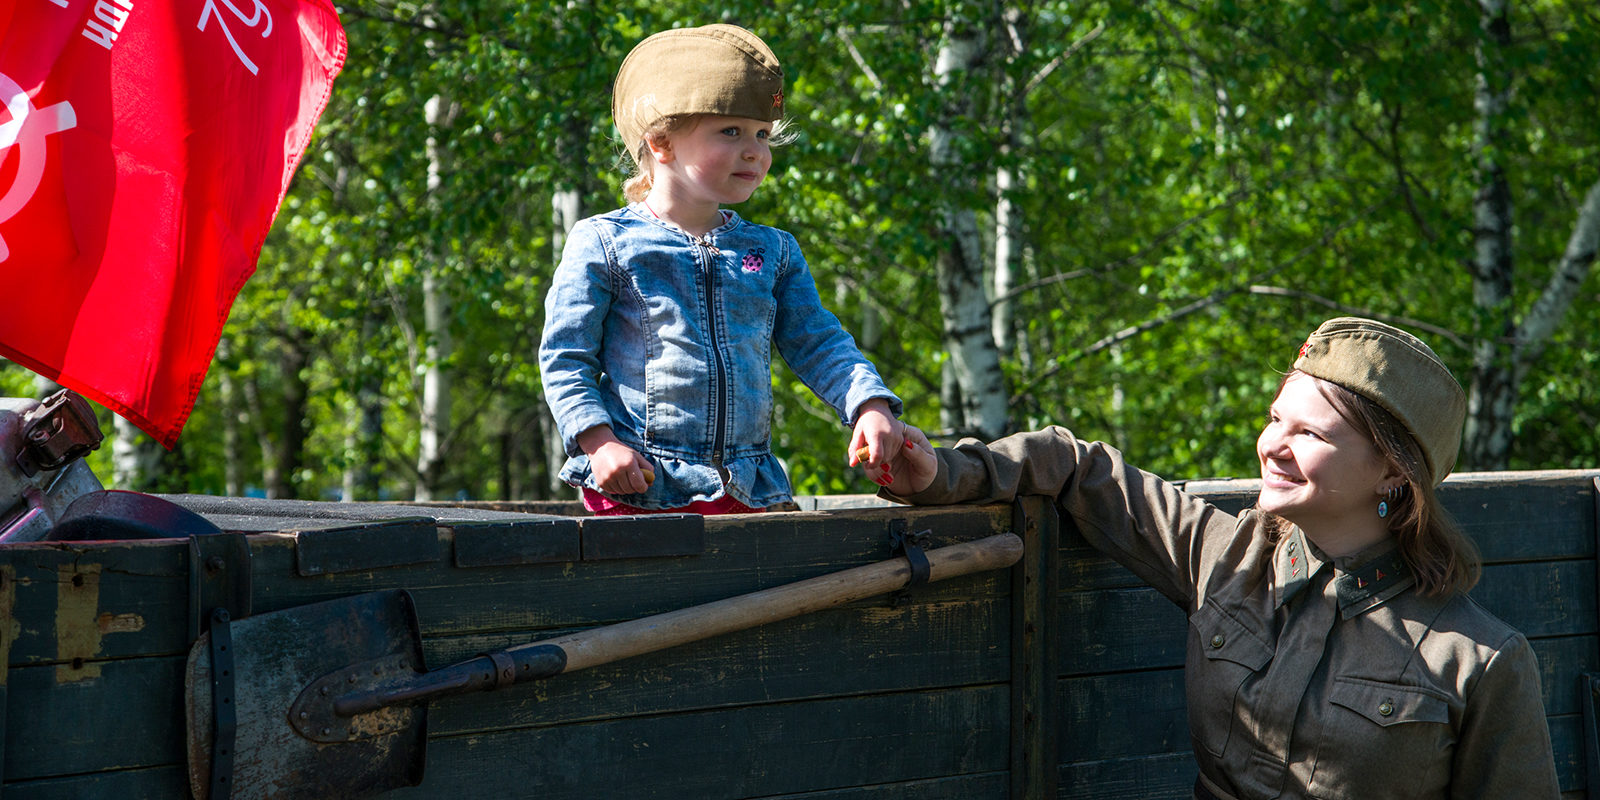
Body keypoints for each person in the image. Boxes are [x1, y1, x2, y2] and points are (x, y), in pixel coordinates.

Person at [873, 317, 1559, 799]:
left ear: (1392, 471)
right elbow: (1077, 466)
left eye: (1309, 432)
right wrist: (942, 474)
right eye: (1273, 419)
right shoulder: (1225, 555)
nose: (1272, 446)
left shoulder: (1480, 663)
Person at [540, 23, 902, 516]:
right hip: (636, 483)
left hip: (745, 487)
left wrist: (869, 403)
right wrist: (598, 443)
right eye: (730, 132)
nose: (754, 150)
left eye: (762, 134)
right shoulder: (606, 242)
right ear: (662, 142)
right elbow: (565, 356)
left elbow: (819, 341)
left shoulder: (772, 251)